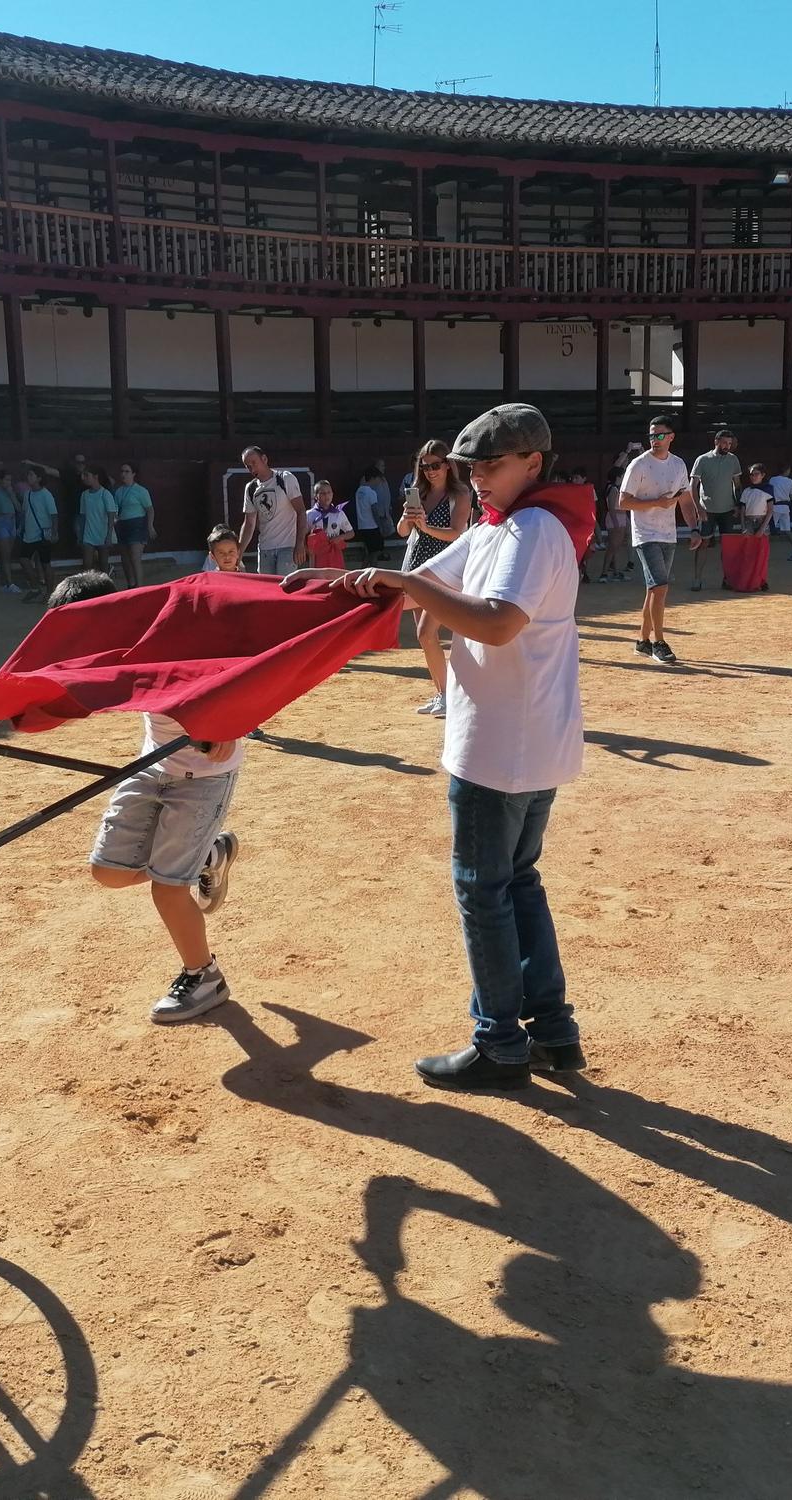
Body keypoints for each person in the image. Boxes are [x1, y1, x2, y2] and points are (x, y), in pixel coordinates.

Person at [287, 402, 585, 1089]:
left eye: (493, 464)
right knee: (516, 883)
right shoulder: (507, 527)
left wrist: (409, 582)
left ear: (534, 463)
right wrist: (331, 583)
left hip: (499, 745)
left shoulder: (531, 529)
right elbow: (425, 586)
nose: (478, 477)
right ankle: (552, 1031)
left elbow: (497, 622)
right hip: (526, 740)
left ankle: (500, 1043)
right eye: (471, 466)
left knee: (485, 891)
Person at [59, 567, 244, 1024]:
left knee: (167, 887)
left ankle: (204, 976)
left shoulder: (173, 632)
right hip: (154, 764)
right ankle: (206, 858)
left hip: (205, 773)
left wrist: (231, 723)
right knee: (109, 872)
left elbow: (240, 668)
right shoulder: (109, 650)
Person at [400, 439, 476, 715]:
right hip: (415, 567)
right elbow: (402, 532)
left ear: (448, 465)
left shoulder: (460, 494)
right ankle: (443, 694)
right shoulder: (418, 492)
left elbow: (457, 533)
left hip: (445, 571)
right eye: (425, 466)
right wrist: (410, 519)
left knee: (427, 632)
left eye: (436, 465)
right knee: (425, 637)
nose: (430, 471)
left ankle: (452, 695)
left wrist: (426, 526)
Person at [619, 415, 697, 664]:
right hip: (645, 534)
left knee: (654, 589)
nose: (655, 439)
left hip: (668, 533)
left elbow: (685, 499)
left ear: (671, 437)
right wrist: (657, 503)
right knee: (660, 587)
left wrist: (695, 528)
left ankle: (642, 641)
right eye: (652, 435)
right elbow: (623, 502)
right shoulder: (639, 465)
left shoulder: (678, 465)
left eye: (660, 435)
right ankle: (658, 642)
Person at [686, 428, 742, 591]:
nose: (727, 446)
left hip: (727, 509)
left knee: (729, 546)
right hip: (707, 509)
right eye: (724, 443)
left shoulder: (733, 460)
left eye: (729, 444)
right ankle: (697, 579)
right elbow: (693, 486)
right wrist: (698, 509)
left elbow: (737, 484)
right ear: (716, 442)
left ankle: (728, 578)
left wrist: (738, 505)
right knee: (703, 544)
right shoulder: (702, 459)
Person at [239, 446, 306, 575]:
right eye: (248, 466)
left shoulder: (285, 478)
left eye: (254, 463)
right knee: (267, 591)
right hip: (265, 548)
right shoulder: (251, 488)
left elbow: (301, 511)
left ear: (264, 459)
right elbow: (249, 523)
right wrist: (239, 553)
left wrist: (300, 544)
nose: (252, 468)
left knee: (285, 588)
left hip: (287, 547)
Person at [19, 465, 60, 596]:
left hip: (43, 534)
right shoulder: (28, 494)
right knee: (24, 560)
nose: (28, 477)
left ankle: (49, 593)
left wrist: (54, 532)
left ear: (39, 478)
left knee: (45, 563)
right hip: (29, 534)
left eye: (31, 475)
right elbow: (25, 512)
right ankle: (36, 587)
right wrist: (21, 527)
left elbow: (54, 515)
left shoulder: (46, 495)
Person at [113, 462, 154, 587]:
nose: (123, 474)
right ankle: (131, 585)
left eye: (127, 471)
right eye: (122, 471)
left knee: (135, 557)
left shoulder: (141, 491)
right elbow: (115, 509)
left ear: (133, 474)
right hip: (123, 525)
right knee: (125, 558)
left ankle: (140, 587)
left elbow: (150, 509)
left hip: (137, 525)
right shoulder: (119, 491)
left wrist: (150, 526)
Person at [76, 465, 118, 577]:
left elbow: (111, 516)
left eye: (86, 475)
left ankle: (105, 590)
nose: (83, 478)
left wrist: (109, 536)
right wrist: (80, 535)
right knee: (87, 564)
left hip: (103, 533)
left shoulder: (105, 494)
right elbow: (83, 516)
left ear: (96, 477)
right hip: (89, 533)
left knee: (103, 564)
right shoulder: (84, 495)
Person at [302, 481, 351, 571]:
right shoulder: (310, 514)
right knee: (319, 580)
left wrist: (340, 537)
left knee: (336, 578)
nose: (327, 496)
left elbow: (351, 533)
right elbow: (302, 535)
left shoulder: (338, 513)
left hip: (334, 552)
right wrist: (308, 550)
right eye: (323, 493)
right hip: (317, 555)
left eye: (329, 492)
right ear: (316, 496)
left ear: (332, 494)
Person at [351, 464, 388, 563]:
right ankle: (372, 573)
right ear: (373, 478)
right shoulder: (371, 493)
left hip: (362, 526)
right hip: (372, 527)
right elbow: (374, 510)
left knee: (370, 552)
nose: (379, 482)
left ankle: (364, 572)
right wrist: (380, 526)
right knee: (375, 553)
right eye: (378, 479)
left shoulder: (359, 491)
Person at [766, 462, 792, 562]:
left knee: (767, 530)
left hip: (775, 507)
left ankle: (761, 551)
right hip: (785, 507)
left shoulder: (773, 479)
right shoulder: (790, 481)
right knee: (787, 530)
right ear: (787, 470)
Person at [739, 463, 773, 537]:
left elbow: (770, 510)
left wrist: (762, 529)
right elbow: (742, 511)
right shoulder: (746, 491)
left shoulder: (768, 490)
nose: (753, 476)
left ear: (763, 475)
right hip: (748, 523)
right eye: (751, 474)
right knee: (749, 546)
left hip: (762, 522)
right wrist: (743, 528)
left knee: (761, 546)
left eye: (756, 474)